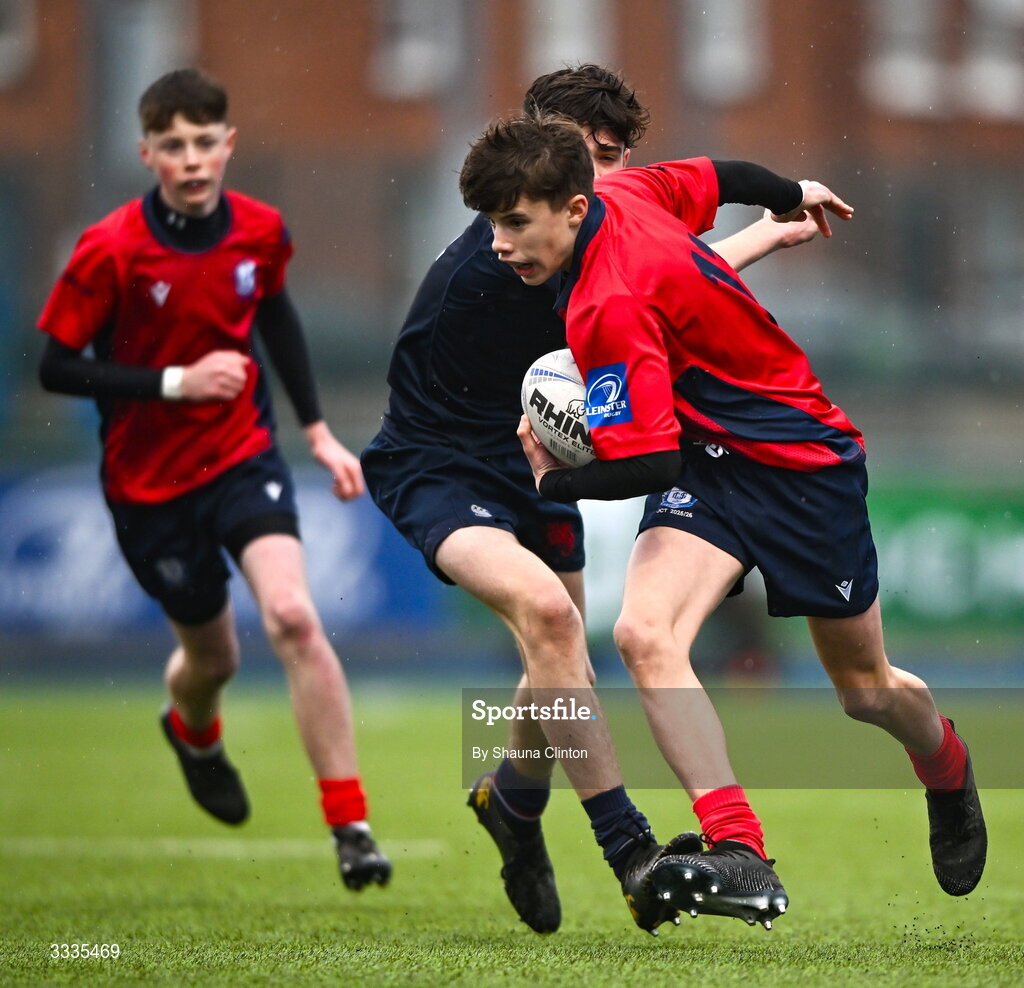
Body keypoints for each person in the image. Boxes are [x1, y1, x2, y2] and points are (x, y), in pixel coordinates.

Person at [458, 113, 987, 929]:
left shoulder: (606, 302)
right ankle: (738, 845)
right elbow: (722, 175)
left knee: (866, 691)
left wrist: (549, 480)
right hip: (712, 466)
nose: (499, 243)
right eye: (492, 223)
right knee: (642, 632)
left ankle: (946, 765)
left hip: (804, 467)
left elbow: (646, 465)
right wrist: (788, 193)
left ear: (571, 206)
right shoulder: (626, 190)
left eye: (515, 222)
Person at [362, 64, 816, 934]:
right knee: (555, 623)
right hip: (439, 467)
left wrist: (770, 225)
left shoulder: (580, 228)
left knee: (554, 659)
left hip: (529, 460)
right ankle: (632, 852)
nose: (607, 179)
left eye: (615, 158)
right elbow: (649, 296)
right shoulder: (509, 259)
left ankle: (514, 806)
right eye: (592, 158)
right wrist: (758, 238)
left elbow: (664, 264)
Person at [36, 68, 391, 893]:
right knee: (212, 659)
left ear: (227, 145)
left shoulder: (261, 230)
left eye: (205, 143)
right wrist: (173, 382)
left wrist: (317, 433)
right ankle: (193, 735)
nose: (192, 161)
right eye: (173, 146)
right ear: (147, 152)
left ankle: (352, 824)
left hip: (242, 457)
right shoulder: (110, 249)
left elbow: (274, 314)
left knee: (296, 618)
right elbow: (55, 366)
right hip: (148, 486)